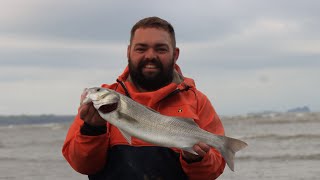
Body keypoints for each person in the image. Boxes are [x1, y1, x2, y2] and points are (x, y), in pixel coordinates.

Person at [62, 16, 226, 180]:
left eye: (160, 49)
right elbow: (82, 165)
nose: (150, 56)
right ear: (128, 52)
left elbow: (211, 173)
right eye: (141, 49)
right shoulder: (99, 107)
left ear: (175, 54)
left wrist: (196, 158)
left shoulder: (197, 101)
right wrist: (92, 130)